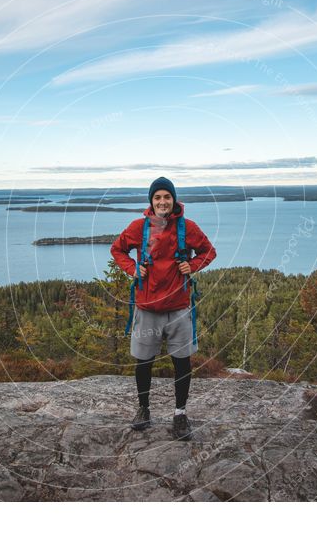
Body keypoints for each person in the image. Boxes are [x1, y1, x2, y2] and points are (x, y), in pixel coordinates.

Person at [111, 177, 217, 440]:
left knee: (182, 363)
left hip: (179, 307)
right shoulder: (140, 227)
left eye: (166, 197)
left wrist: (192, 266)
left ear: (173, 200)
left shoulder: (186, 227)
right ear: (151, 201)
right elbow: (118, 250)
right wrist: (133, 268)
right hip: (147, 307)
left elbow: (208, 251)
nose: (162, 202)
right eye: (157, 197)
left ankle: (180, 414)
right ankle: (144, 409)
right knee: (143, 361)